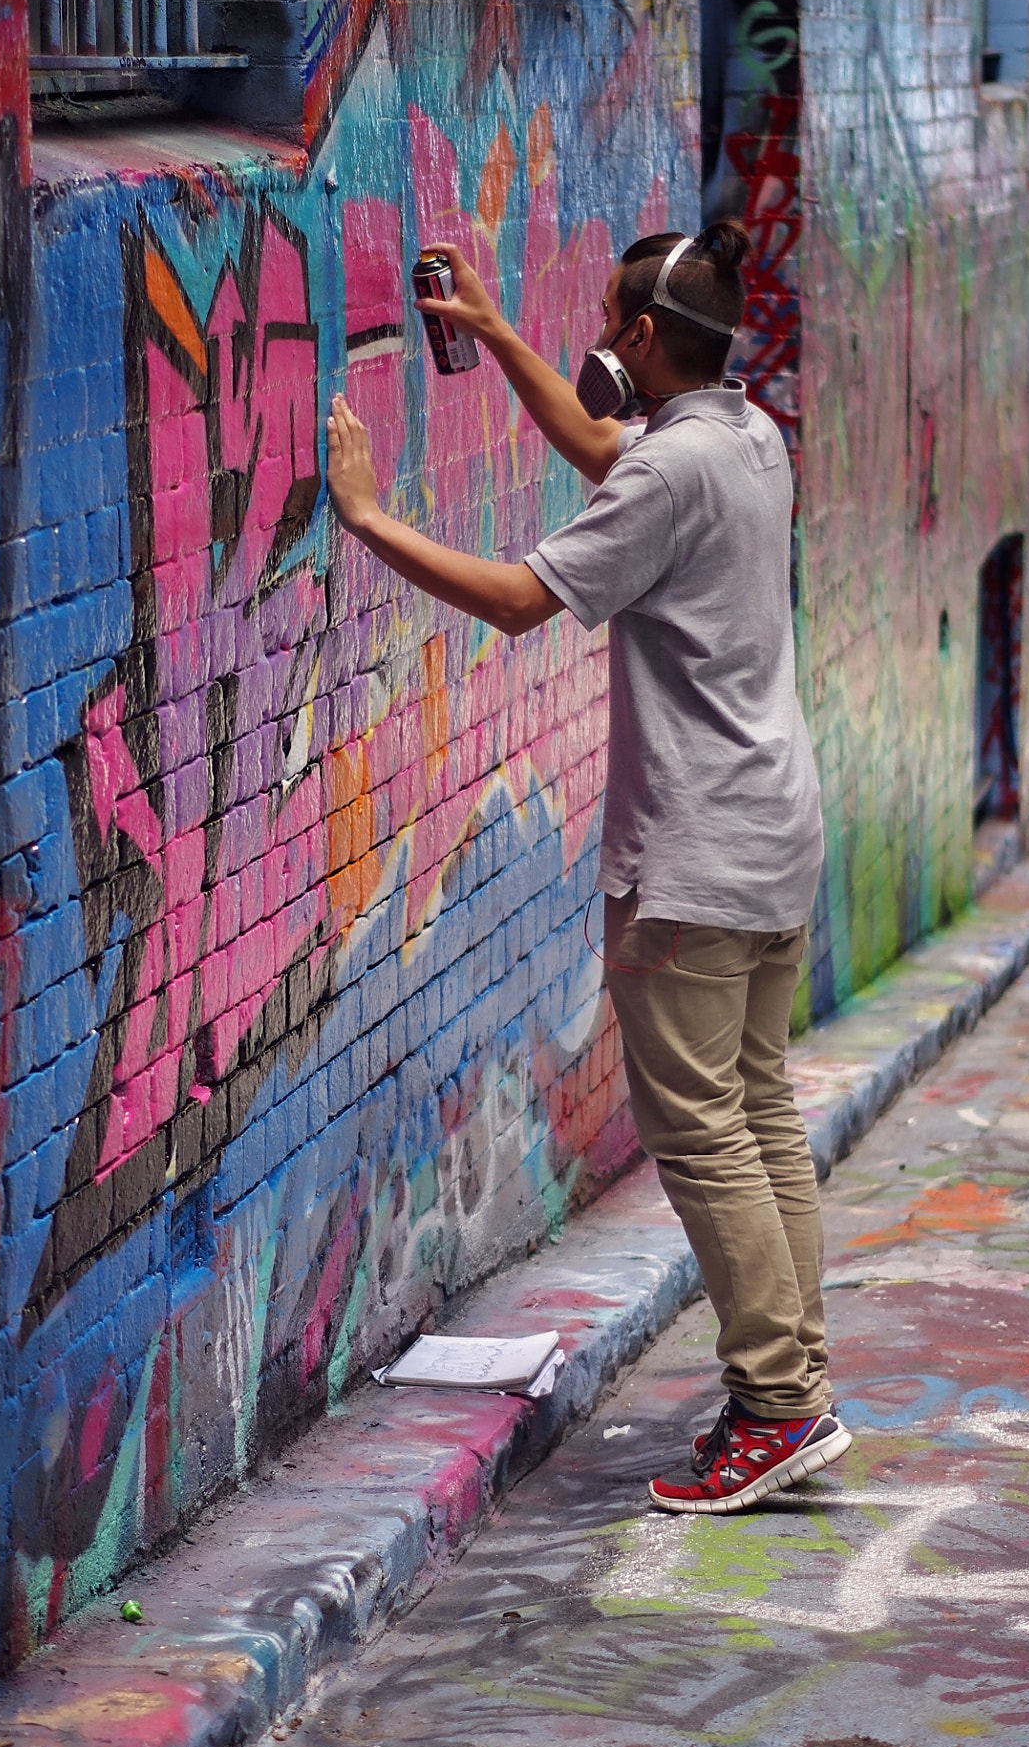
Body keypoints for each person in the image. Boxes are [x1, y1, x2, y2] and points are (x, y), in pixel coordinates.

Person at [324, 220, 851, 1515]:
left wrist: (364, 513)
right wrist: (497, 335)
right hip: (776, 832)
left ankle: (778, 1407)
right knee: (759, 1109)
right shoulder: (745, 437)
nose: (600, 336)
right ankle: (794, 1387)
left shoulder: (671, 475)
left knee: (703, 1134)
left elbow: (517, 599)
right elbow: (610, 452)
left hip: (693, 855)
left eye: (613, 317)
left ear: (642, 338)